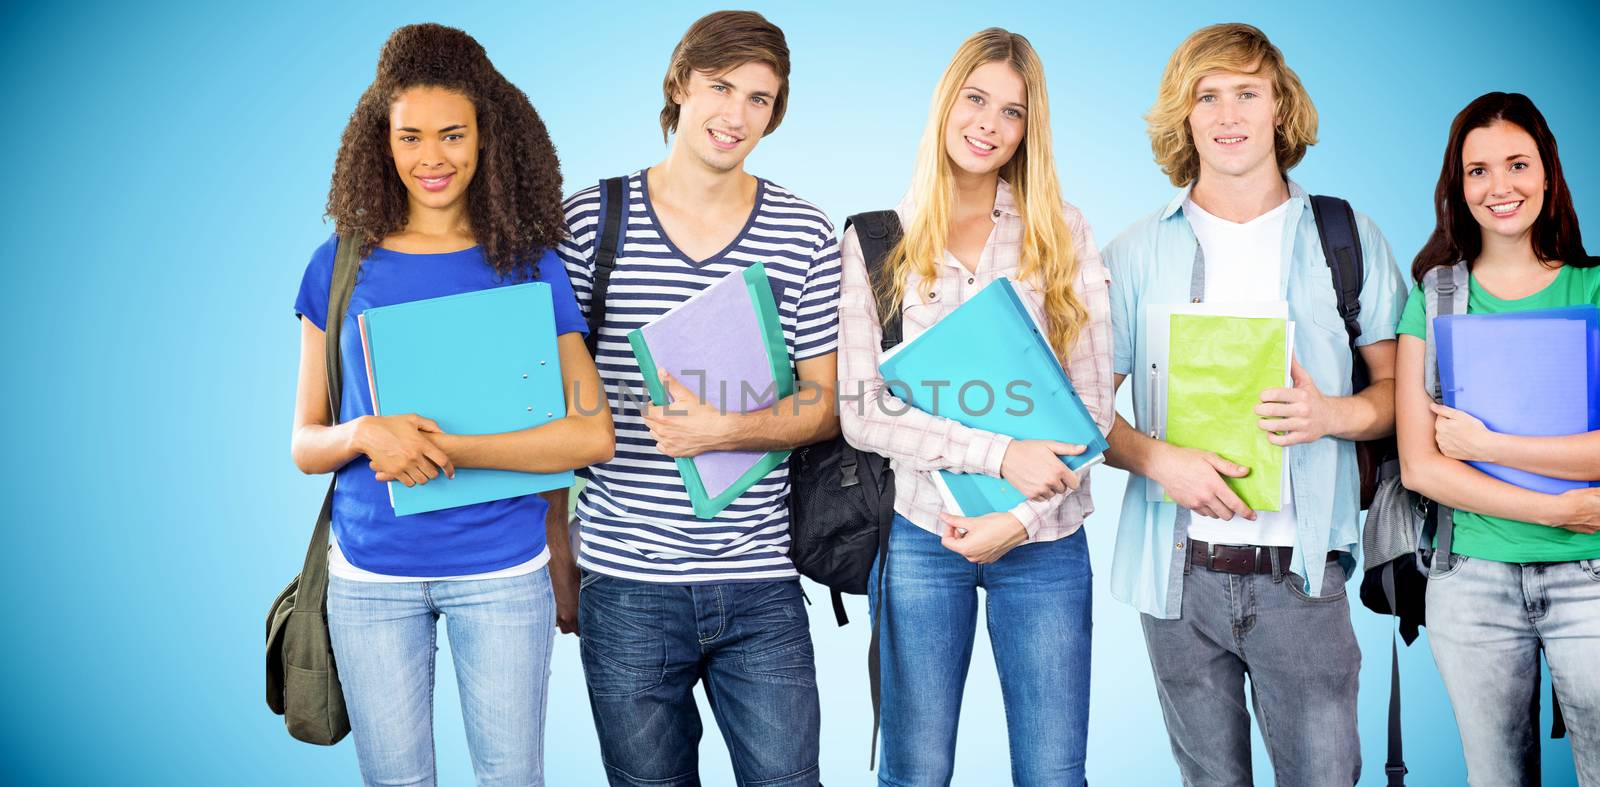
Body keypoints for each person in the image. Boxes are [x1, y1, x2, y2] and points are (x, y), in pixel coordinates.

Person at [288, 23, 612, 786]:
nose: (431, 158)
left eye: (452, 135)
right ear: (382, 141)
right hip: (371, 576)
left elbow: (592, 435)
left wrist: (450, 451)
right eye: (410, 137)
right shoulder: (337, 265)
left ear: (486, 135)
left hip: (503, 570)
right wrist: (366, 431)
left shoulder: (530, 264)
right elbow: (304, 442)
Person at [1100, 23, 1406, 785]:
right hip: (1177, 583)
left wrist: (1332, 416)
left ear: (1279, 108)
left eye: (1247, 91)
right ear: (1185, 115)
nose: (1228, 113)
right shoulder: (1135, 253)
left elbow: (1402, 394)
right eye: (1208, 95)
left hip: (1302, 579)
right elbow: (1080, 411)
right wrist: (1157, 458)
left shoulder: (1346, 237)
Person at [553, 11, 840, 787]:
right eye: (721, 88)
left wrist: (727, 429)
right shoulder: (589, 222)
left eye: (759, 98)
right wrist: (557, 549)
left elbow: (826, 404)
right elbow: (547, 405)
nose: (736, 115)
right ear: (680, 85)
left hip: (760, 582)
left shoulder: (803, 231)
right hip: (626, 583)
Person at [834, 27, 1112, 786]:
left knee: (1054, 773)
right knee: (913, 771)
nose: (989, 124)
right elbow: (863, 410)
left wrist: (1015, 517)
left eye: (1012, 112)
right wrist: (996, 454)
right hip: (922, 535)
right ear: (945, 103)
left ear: (1030, 130)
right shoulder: (873, 240)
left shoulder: (1063, 231)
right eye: (976, 99)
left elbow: (1093, 410)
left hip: (1046, 541)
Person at [1394, 91, 1600, 786]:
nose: (1499, 187)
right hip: (1470, 582)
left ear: (1549, 173)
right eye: (1477, 170)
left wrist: (1489, 444)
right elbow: (1421, 466)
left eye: (1517, 164)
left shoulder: (1595, 289)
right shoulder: (1434, 296)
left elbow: (1454, 451)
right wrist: (1561, 507)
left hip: (1592, 578)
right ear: (1458, 185)